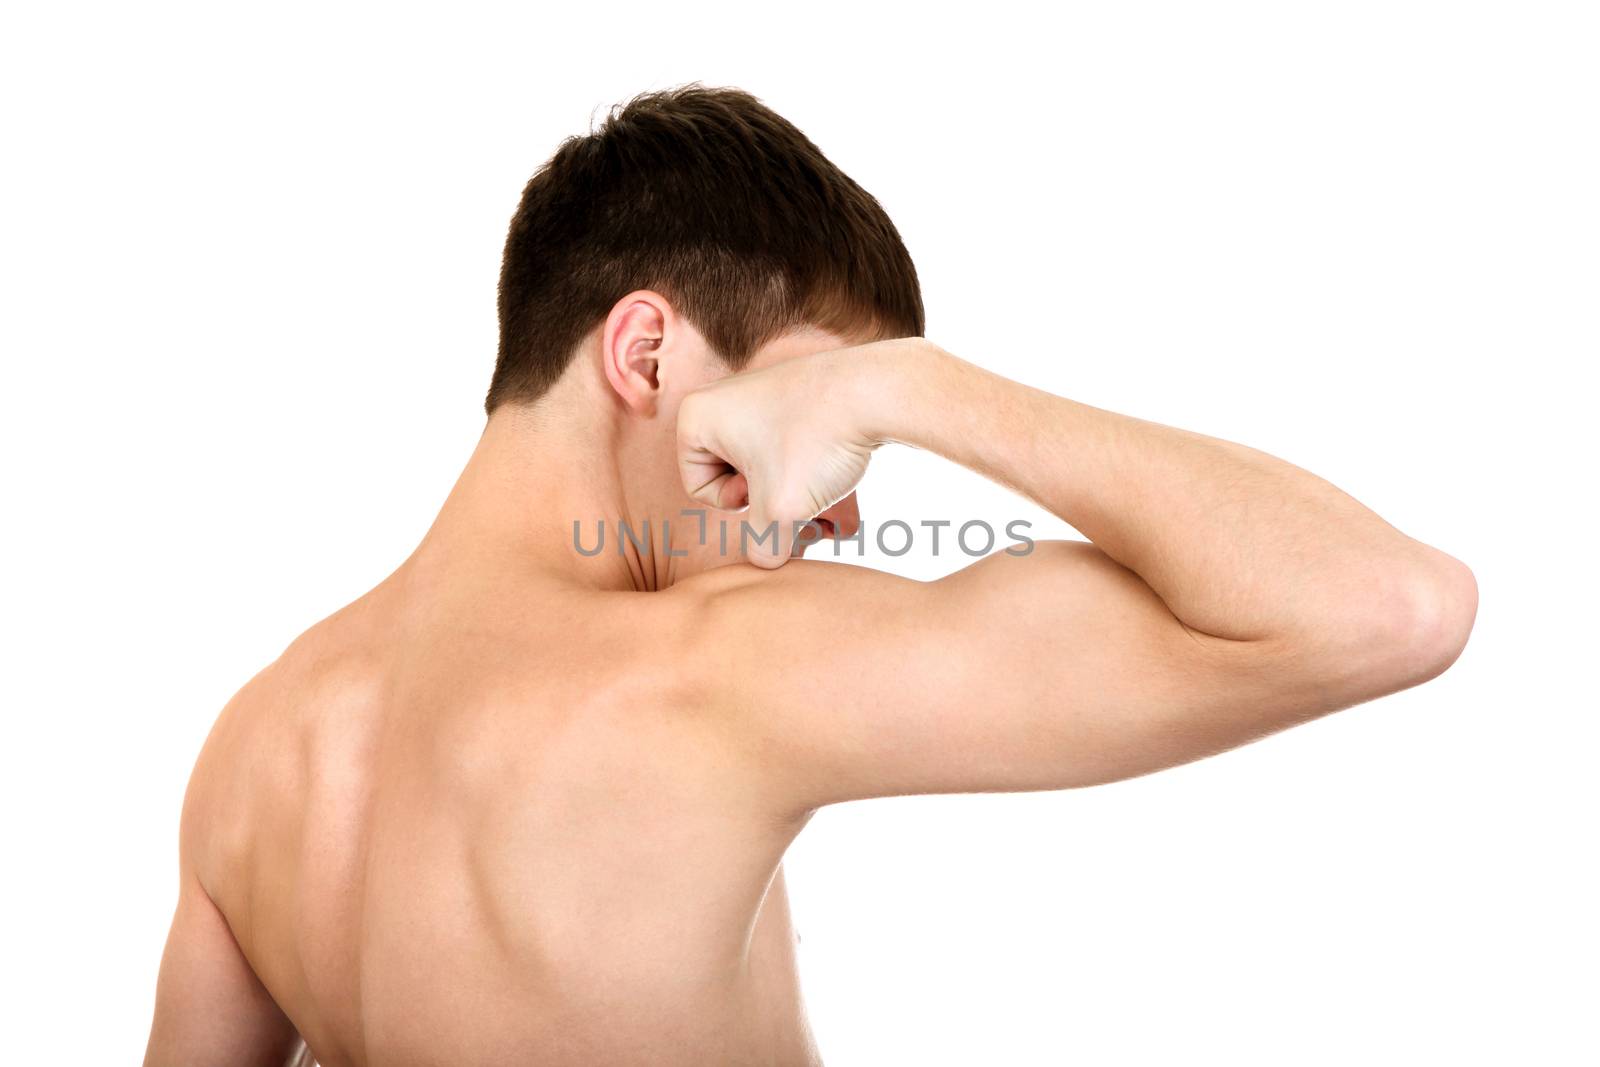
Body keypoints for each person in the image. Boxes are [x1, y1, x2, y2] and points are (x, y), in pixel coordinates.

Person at [143, 84, 1477, 1067]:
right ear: (647, 356)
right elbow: (1386, 606)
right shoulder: (709, 672)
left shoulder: (253, 745)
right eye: (816, 412)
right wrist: (912, 384)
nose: (837, 510)